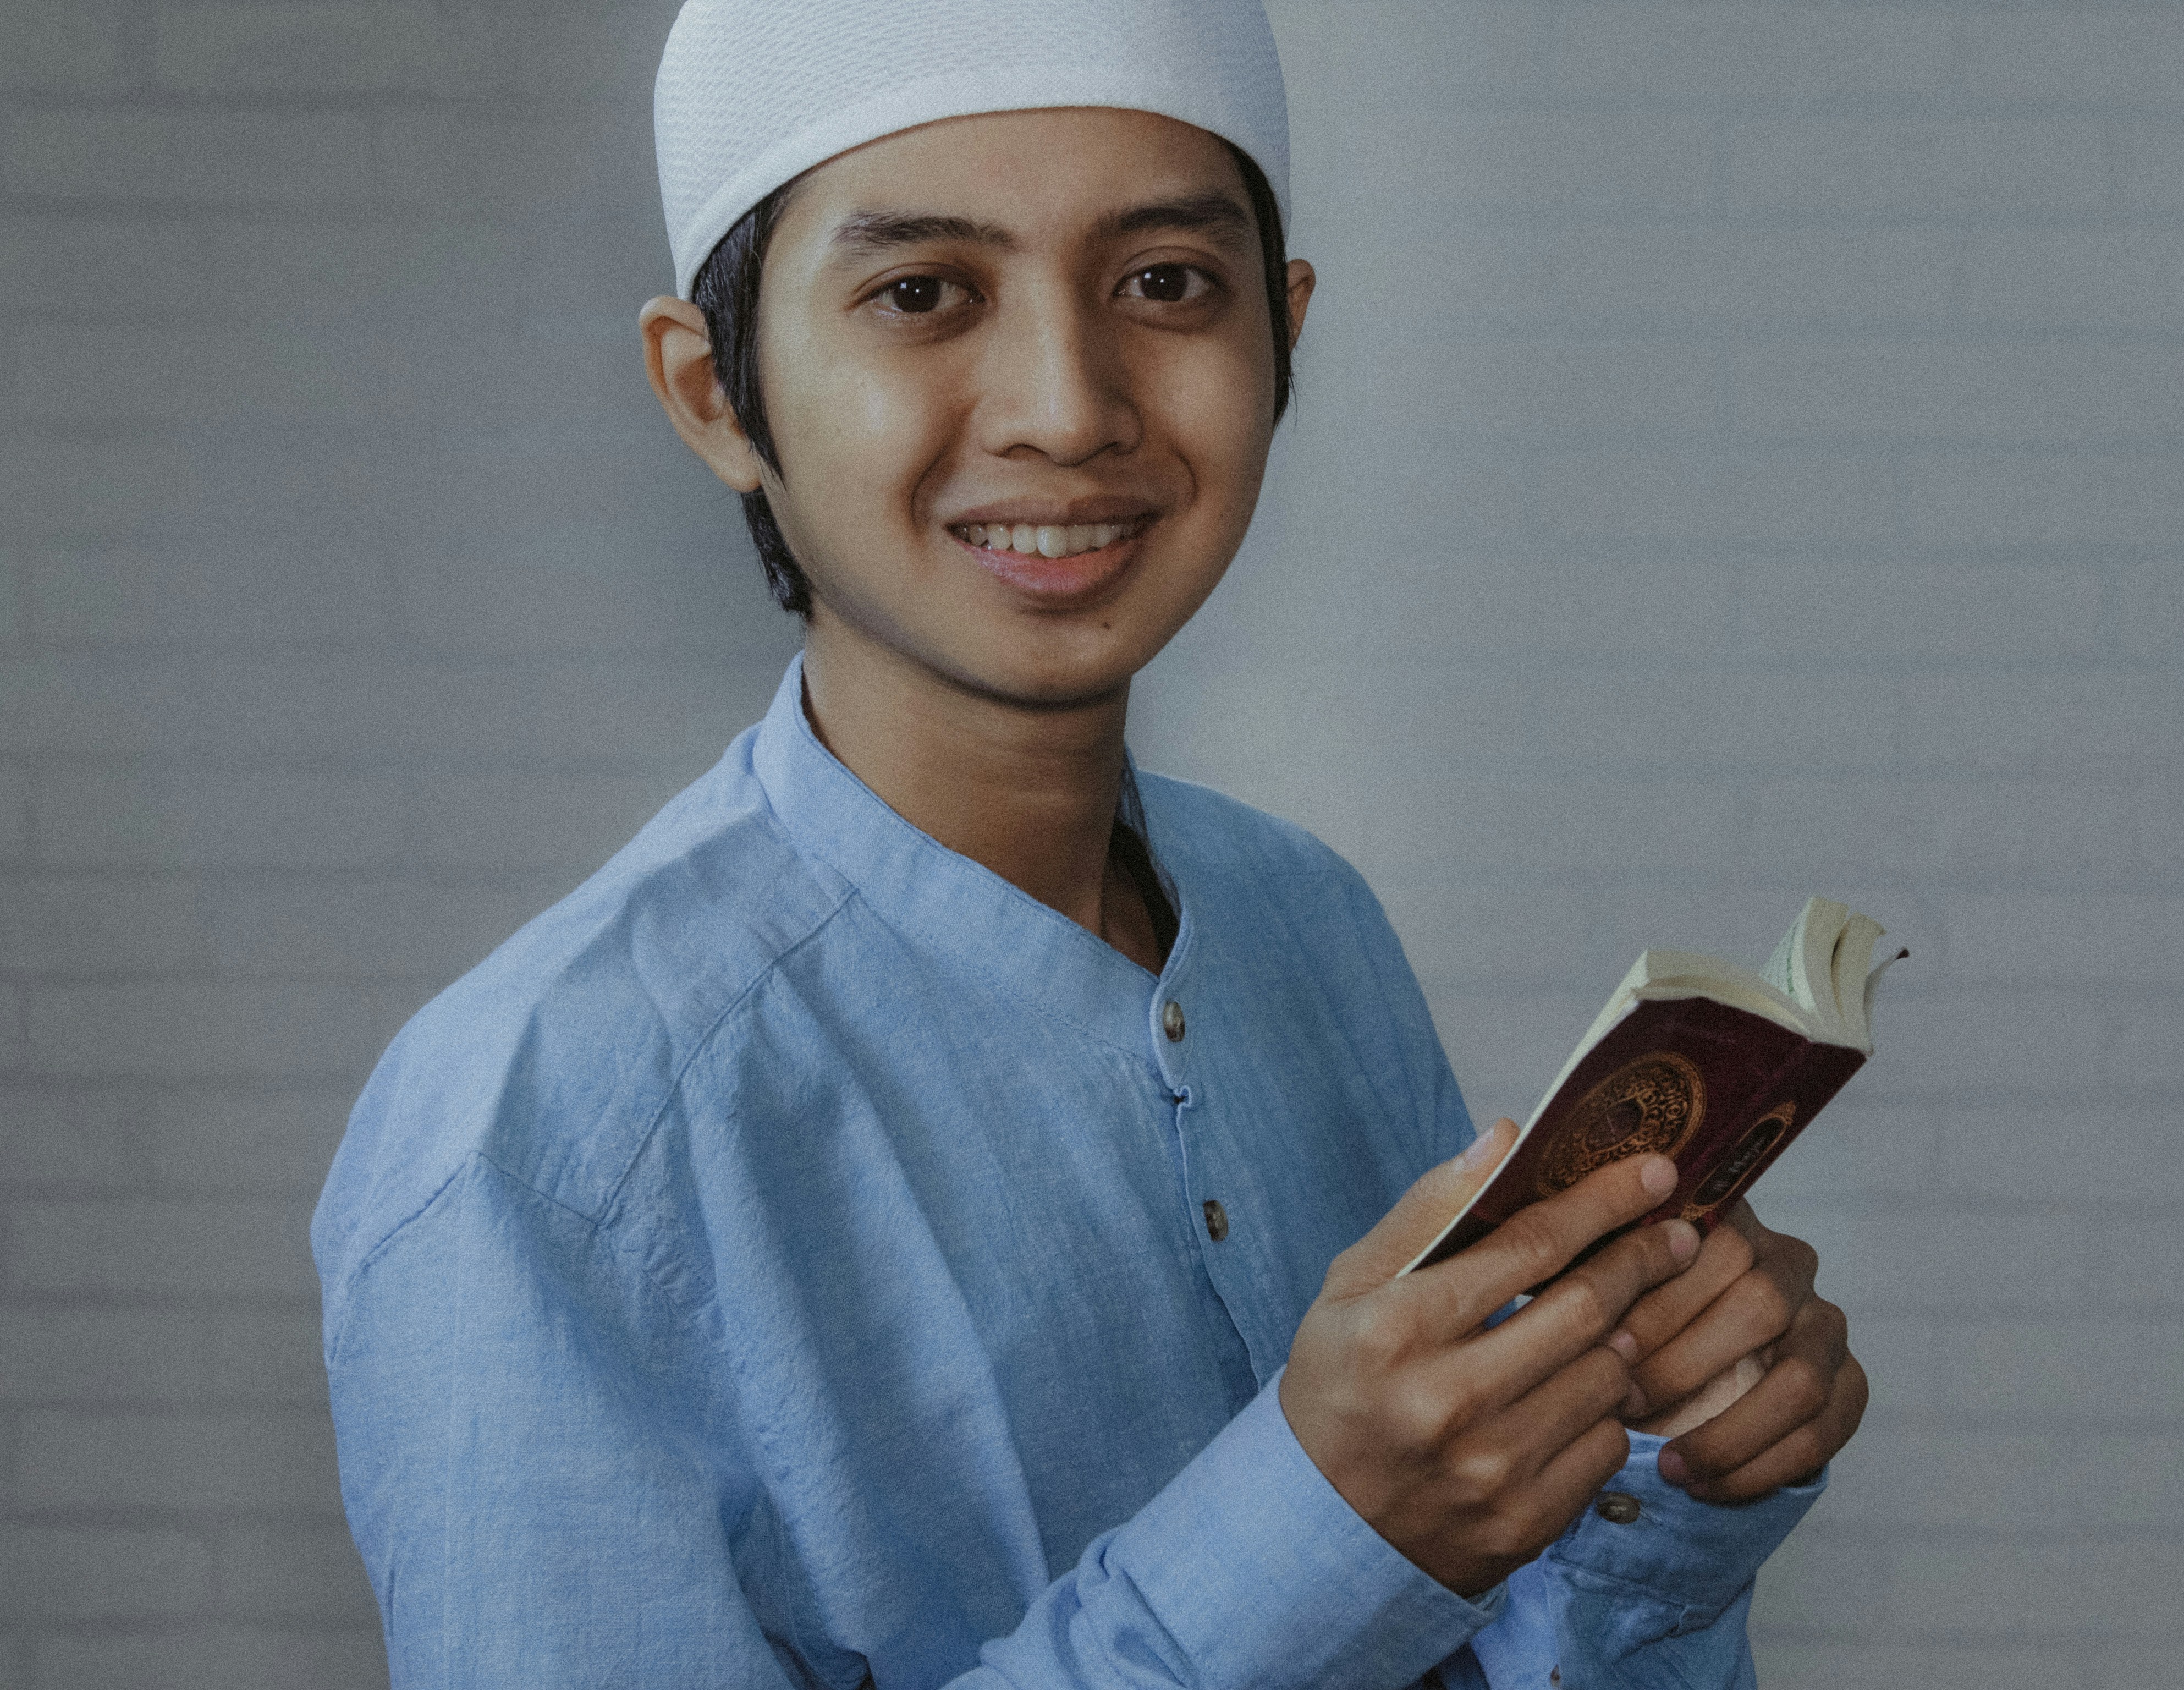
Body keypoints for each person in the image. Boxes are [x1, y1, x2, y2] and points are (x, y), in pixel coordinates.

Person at [312, 2, 1867, 1684]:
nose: (1066, 408)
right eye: (922, 294)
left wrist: (1666, 1489)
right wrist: (1322, 1532)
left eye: (1163, 284)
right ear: (715, 390)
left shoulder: (1302, 922)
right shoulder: (542, 1141)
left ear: (1283, 337)